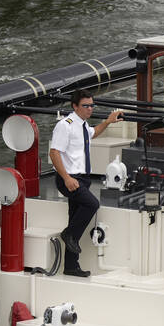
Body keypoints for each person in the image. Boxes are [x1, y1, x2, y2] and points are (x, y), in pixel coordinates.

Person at [49, 91, 125, 277]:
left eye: (92, 105)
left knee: (74, 216)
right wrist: (67, 178)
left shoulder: (82, 125)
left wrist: (108, 121)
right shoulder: (65, 126)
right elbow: (54, 153)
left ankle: (71, 266)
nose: (90, 108)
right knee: (92, 204)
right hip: (70, 179)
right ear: (75, 106)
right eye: (86, 106)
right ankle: (68, 234)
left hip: (82, 178)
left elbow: (93, 133)